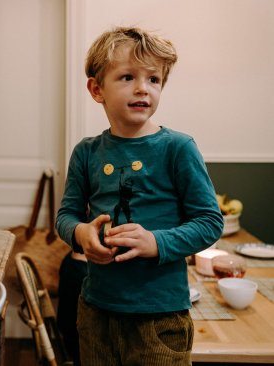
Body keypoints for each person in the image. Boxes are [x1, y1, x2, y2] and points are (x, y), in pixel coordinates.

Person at [55, 26, 224, 366]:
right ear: (96, 88)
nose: (142, 89)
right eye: (128, 77)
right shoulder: (86, 153)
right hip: (96, 311)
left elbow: (209, 222)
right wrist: (81, 234)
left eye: (154, 80)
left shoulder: (178, 148)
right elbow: (66, 217)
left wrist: (156, 243)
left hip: (159, 316)